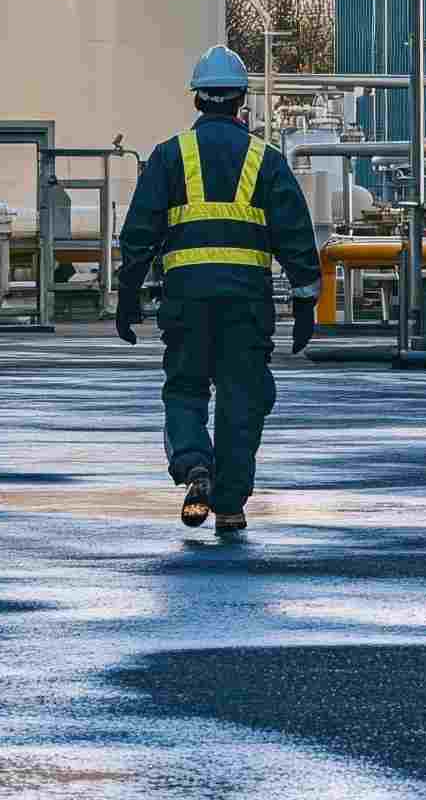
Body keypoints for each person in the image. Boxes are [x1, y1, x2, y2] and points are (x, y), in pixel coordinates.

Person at [115, 45, 321, 534]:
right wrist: (306, 299)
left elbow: (140, 231)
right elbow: (295, 234)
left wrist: (127, 293)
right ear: (240, 100)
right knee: (242, 398)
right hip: (246, 304)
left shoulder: (169, 156)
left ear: (197, 100)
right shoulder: (265, 160)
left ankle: (193, 465)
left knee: (185, 387)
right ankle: (228, 504)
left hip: (186, 299)